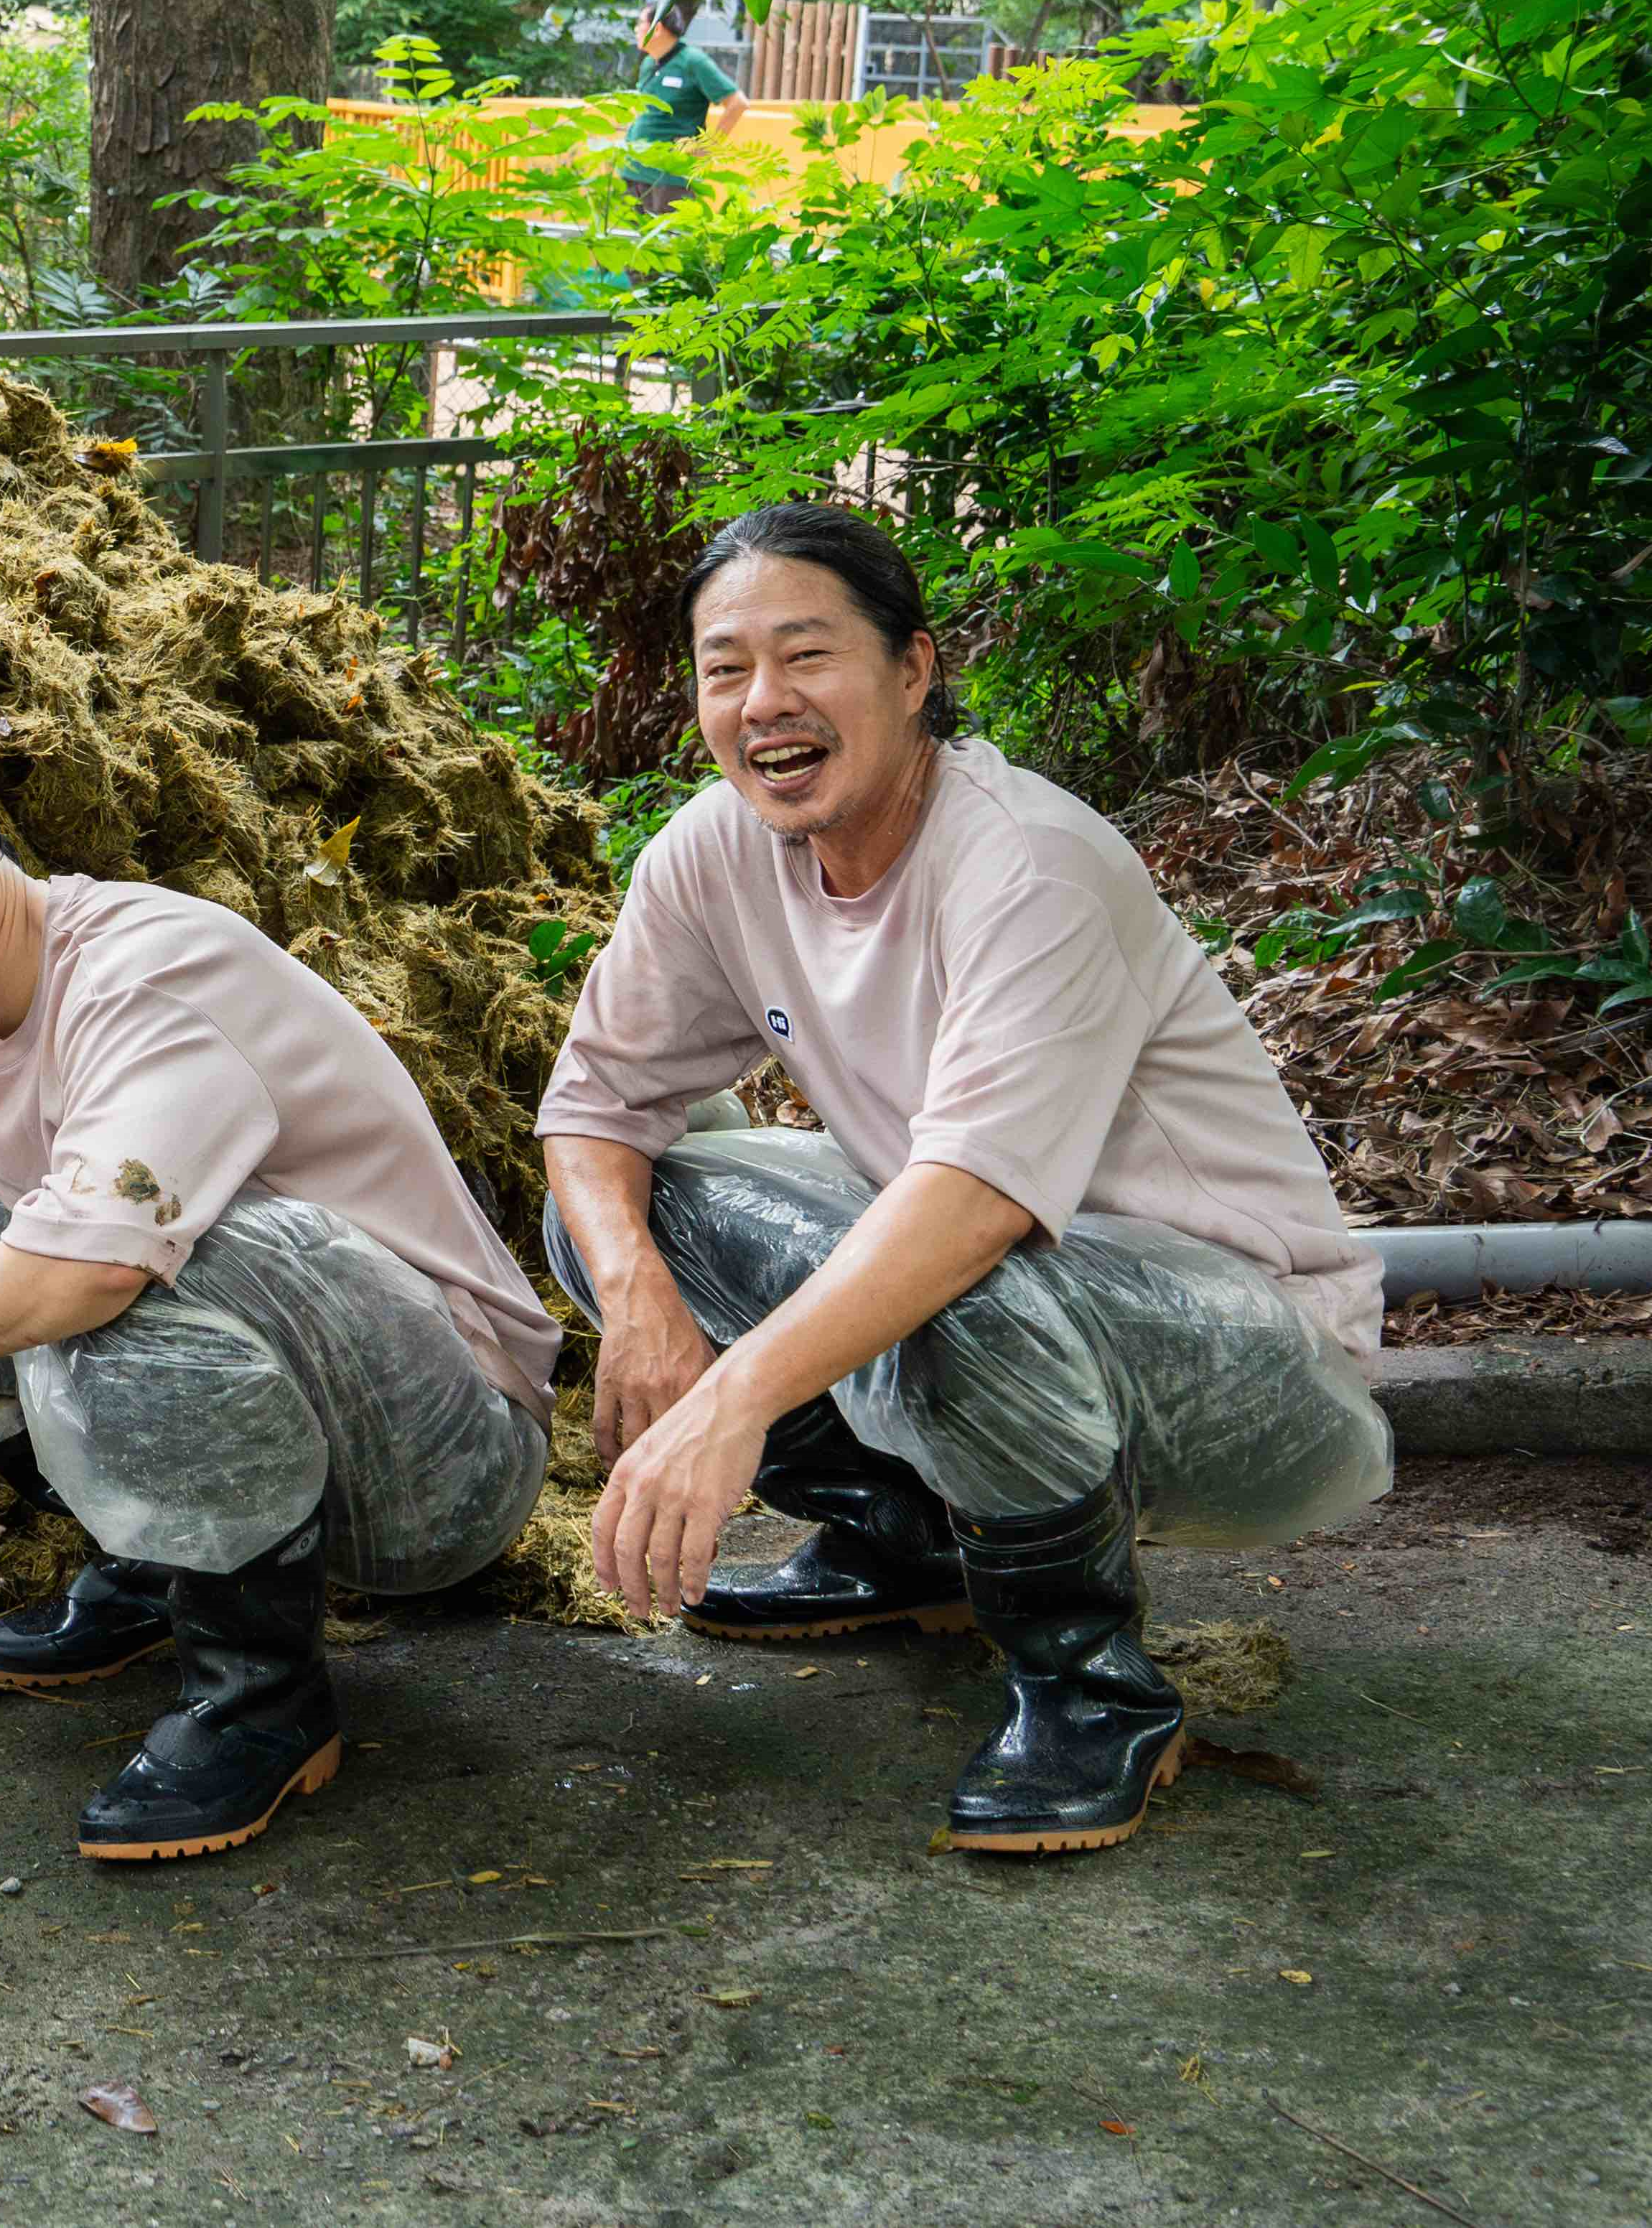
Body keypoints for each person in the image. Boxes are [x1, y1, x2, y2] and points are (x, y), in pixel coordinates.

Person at [536, 502, 1389, 1855]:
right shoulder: (715, 849)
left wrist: (728, 1405)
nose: (763, 701)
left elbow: (972, 1204)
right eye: (722, 666)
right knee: (640, 1206)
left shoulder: (1024, 858)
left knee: (944, 1277)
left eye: (805, 654)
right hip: (1018, 1300)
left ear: (912, 668)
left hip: (1250, 1369)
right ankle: (904, 1542)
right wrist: (638, 1294)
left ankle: (1087, 1678)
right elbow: (591, 1104)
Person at [0, 706, 563, 1865]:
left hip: (439, 1456)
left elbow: (87, 1266)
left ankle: (260, 1695)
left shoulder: (141, 966)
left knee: (116, 1251)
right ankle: (162, 1558)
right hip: (272, 1406)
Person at [616, 8, 748, 207]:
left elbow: (737, 103)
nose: (636, 30)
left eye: (640, 23)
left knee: (669, 237)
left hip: (670, 179)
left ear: (657, 28)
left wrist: (708, 148)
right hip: (633, 171)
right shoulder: (649, 65)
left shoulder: (693, 61)